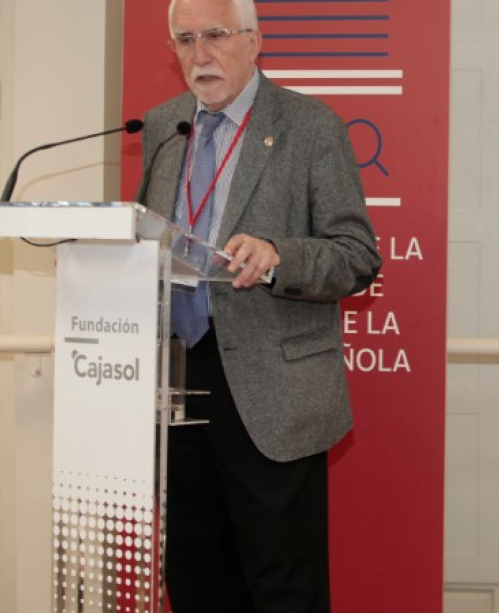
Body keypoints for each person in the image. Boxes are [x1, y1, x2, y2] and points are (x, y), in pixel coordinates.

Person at [136, 0, 381, 610]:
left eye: (215, 35)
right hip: (177, 379)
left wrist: (277, 255)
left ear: (254, 41)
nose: (200, 54)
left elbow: (357, 255)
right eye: (185, 39)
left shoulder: (309, 125)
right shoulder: (165, 124)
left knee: (281, 586)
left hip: (270, 387)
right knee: (195, 575)